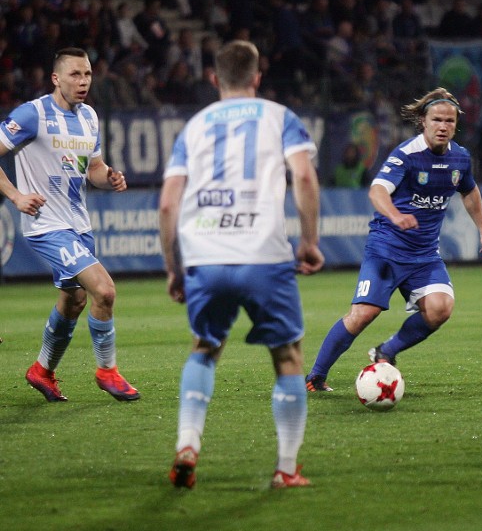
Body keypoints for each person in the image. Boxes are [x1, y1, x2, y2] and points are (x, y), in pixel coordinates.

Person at [159, 40, 324, 489]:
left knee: (204, 346)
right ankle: (286, 469)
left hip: (205, 255)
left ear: (214, 78)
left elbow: (168, 206)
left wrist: (174, 268)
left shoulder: (192, 127)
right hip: (263, 255)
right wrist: (308, 242)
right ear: (257, 76)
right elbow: (304, 177)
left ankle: (188, 443)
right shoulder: (279, 117)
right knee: (288, 357)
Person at [305, 87, 482, 392]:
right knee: (363, 315)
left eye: (449, 121)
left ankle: (386, 352)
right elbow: (377, 191)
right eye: (437, 119)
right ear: (423, 121)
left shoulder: (460, 158)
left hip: (424, 255)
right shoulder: (406, 156)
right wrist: (396, 216)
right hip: (386, 250)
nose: (443, 126)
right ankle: (315, 377)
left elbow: (470, 190)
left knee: (440, 308)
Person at [0, 47, 139, 403]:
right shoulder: (32, 114)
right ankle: (108, 371)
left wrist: (111, 177)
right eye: (75, 75)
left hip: (78, 223)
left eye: (88, 74)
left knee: (74, 299)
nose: (83, 82)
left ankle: (43, 370)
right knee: (103, 291)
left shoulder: (89, 117)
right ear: (56, 78)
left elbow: (93, 169)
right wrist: (16, 196)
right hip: (45, 224)